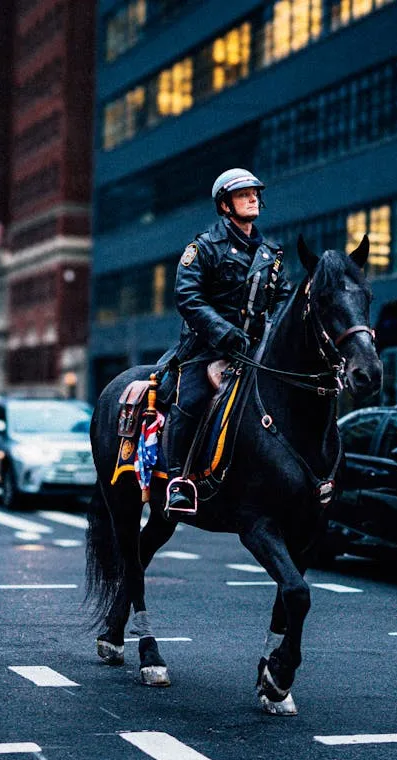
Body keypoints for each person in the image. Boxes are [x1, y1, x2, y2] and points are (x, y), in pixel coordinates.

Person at [163, 168, 293, 515]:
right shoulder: (203, 248)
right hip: (206, 351)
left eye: (254, 193)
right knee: (192, 398)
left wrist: (272, 332)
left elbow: (283, 298)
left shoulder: (271, 253)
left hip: (255, 352)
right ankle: (180, 480)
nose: (253, 198)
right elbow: (188, 297)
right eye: (243, 194)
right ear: (225, 205)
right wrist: (223, 332)